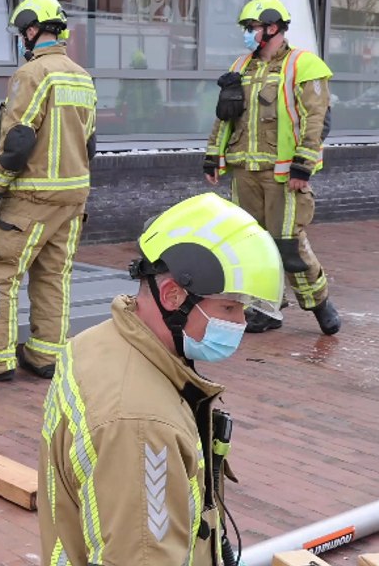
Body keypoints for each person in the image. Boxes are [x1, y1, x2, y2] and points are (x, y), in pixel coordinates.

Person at [39, 192, 283, 566]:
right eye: (230, 307)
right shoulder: (141, 425)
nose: (241, 323)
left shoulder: (98, 342)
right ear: (173, 295)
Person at [0, 0, 97, 382]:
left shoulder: (32, 74)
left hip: (32, 195)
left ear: (34, 30)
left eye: (22, 32)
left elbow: (17, 139)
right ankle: (47, 355)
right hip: (73, 195)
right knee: (53, 275)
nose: (21, 39)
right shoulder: (81, 76)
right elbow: (90, 143)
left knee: (0, 270)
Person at [204, 0, 340, 336]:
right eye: (246, 29)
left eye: (251, 28)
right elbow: (225, 120)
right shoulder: (240, 67)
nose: (247, 35)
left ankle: (320, 303)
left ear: (273, 28)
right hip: (244, 171)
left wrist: (302, 167)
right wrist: (212, 157)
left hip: (283, 175)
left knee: (288, 244)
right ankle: (266, 309)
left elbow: (314, 121)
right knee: (252, 244)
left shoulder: (303, 65)